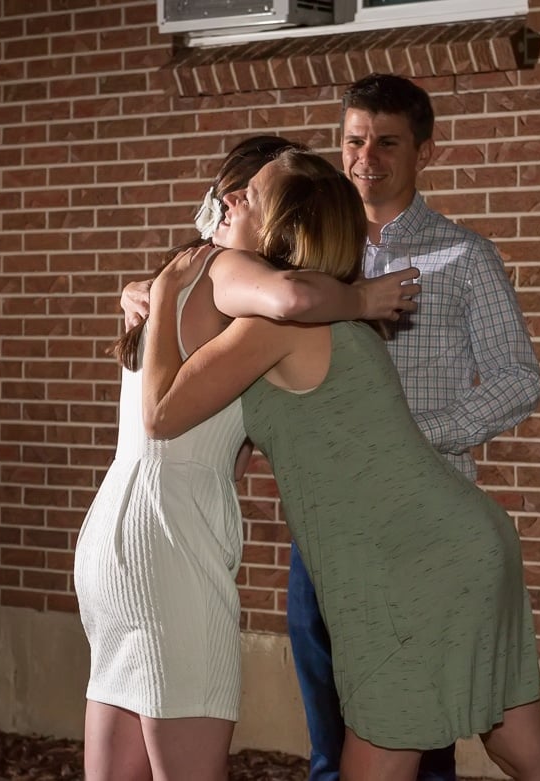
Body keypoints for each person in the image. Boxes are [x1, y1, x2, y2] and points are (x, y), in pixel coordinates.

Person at [121, 74, 540, 781]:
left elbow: (165, 412)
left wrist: (166, 288)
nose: (366, 155)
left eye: (247, 196)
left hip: (406, 552)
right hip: (416, 537)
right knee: (523, 752)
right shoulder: (319, 298)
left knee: (378, 756)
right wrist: (143, 290)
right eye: (353, 140)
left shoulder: (297, 310)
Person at [74, 135, 415, 781]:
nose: (229, 197)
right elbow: (291, 298)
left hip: (114, 536)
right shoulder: (227, 269)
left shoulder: (186, 278)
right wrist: (362, 299)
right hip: (171, 537)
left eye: (250, 191)